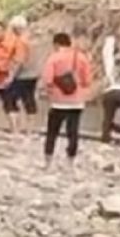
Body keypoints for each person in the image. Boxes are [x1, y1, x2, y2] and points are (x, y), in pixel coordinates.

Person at [40, 32, 92, 167]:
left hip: (58, 102)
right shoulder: (81, 58)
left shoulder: (54, 58)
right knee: (73, 132)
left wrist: (50, 92)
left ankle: (48, 161)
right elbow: (87, 81)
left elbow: (47, 80)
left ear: (56, 44)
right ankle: (70, 161)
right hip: (77, 103)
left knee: (52, 132)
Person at [8, 16, 40, 128]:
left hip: (22, 75)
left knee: (10, 100)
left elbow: (19, 60)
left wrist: (11, 76)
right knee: (30, 100)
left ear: (16, 28)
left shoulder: (20, 41)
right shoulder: (32, 40)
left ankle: (16, 129)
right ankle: (30, 129)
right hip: (34, 74)